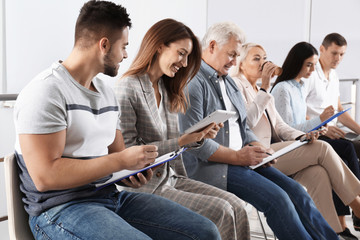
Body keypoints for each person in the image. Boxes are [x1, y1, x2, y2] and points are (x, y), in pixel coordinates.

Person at [13, 1, 221, 239]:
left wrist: (132, 172)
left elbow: (118, 157)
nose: (125, 54)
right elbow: (45, 176)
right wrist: (120, 160)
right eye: (124, 46)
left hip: (109, 196)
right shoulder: (46, 92)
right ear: (104, 45)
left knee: (205, 232)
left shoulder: (105, 93)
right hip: (60, 210)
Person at [178, 21, 338, 240]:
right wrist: (238, 157)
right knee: (278, 200)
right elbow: (192, 144)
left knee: (298, 193)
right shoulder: (194, 84)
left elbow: (243, 126)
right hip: (217, 166)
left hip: (244, 159)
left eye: (237, 55)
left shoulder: (229, 83)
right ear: (212, 46)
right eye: (231, 54)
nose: (234, 61)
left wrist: (257, 146)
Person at [114, 18, 249, 240]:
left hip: (172, 176)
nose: (185, 63)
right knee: (222, 211)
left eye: (188, 57)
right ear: (159, 46)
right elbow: (129, 151)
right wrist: (182, 141)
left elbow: (174, 141)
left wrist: (198, 136)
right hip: (147, 186)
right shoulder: (129, 87)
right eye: (181, 53)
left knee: (236, 206)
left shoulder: (166, 88)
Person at [231, 41, 360, 239]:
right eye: (256, 58)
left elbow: (281, 126)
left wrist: (302, 136)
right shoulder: (236, 86)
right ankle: (358, 205)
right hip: (256, 155)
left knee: (317, 173)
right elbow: (245, 123)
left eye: (264, 58)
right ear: (241, 63)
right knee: (323, 148)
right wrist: (265, 88)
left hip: (275, 151)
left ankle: (331, 232)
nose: (262, 63)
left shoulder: (260, 90)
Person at [304, 33, 360, 160]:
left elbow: (339, 110)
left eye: (342, 54)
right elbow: (299, 109)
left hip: (333, 132)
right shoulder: (309, 75)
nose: (338, 58)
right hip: (316, 133)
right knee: (350, 149)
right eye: (334, 53)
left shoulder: (334, 76)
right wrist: (322, 128)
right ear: (322, 49)